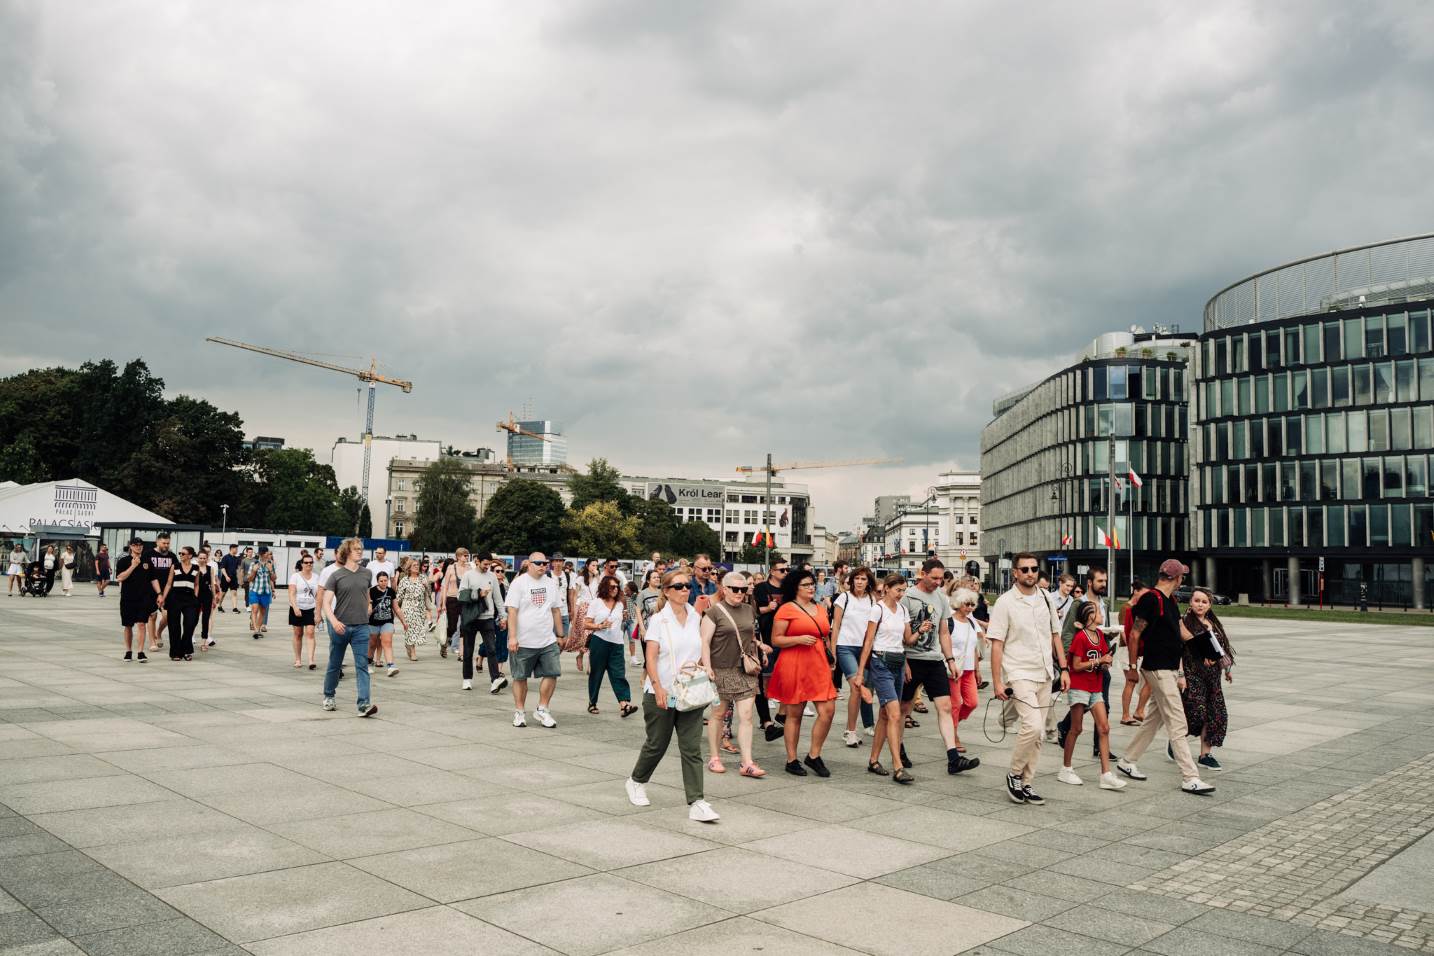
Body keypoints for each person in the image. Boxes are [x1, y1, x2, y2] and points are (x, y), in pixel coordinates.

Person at [624, 569, 720, 822]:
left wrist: (705, 666)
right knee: (657, 744)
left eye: (687, 585)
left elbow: (700, 649)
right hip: (663, 691)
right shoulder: (659, 620)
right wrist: (657, 688)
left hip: (688, 692)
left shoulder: (695, 617)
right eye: (678, 586)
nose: (685, 590)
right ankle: (636, 781)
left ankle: (697, 801)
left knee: (691, 748)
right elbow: (651, 657)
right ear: (666, 592)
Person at [1116, 559, 1216, 795]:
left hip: (1169, 667)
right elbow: (1134, 634)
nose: (1184, 579)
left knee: (1154, 720)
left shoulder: (1170, 601)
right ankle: (1190, 777)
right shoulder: (1151, 599)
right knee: (1177, 720)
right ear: (1176, 577)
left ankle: (1128, 761)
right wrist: (1132, 667)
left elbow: (1181, 633)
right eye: (1182, 575)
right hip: (1158, 669)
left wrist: (1207, 651)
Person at [989, 552, 1070, 806]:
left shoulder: (1046, 598)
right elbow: (996, 645)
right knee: (1033, 726)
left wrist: (1064, 669)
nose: (1030, 573)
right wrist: (997, 682)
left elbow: (1056, 635)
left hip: (1045, 672)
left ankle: (1027, 783)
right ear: (1014, 572)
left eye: (1034, 569)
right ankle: (1013, 773)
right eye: (1024, 570)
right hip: (1018, 672)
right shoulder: (1005, 602)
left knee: (1041, 735)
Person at [901, 559, 975, 776]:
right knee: (904, 710)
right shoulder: (908, 597)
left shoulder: (942, 598)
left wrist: (950, 660)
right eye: (933, 577)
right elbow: (899, 632)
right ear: (922, 574)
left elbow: (944, 632)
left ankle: (953, 758)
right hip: (912, 659)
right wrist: (904, 661)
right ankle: (899, 748)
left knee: (944, 707)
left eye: (940, 578)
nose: (937, 582)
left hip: (934, 660)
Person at [767, 568, 837, 778]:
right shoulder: (786, 609)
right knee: (794, 714)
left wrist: (830, 657)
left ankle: (814, 755)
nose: (811, 587)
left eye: (812, 584)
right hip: (794, 664)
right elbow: (775, 639)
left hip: (818, 664)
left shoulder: (821, 607)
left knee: (828, 711)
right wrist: (797, 639)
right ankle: (791, 759)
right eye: (805, 585)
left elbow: (825, 635)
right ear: (795, 587)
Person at [850, 573, 917, 783]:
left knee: (885, 715)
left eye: (904, 590)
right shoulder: (877, 609)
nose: (901, 594)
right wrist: (860, 672)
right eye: (898, 590)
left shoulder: (903, 610)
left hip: (898, 662)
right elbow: (868, 641)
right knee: (895, 714)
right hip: (881, 662)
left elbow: (907, 640)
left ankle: (873, 760)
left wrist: (920, 631)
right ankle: (898, 767)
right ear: (887, 588)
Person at [701, 571, 765, 777]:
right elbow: (704, 641)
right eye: (735, 589)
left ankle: (747, 762)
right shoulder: (714, 612)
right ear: (724, 589)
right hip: (720, 668)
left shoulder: (748, 609)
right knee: (719, 714)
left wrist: (759, 649)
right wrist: (708, 667)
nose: (740, 593)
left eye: (743, 589)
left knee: (746, 716)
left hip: (744, 670)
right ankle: (714, 757)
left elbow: (750, 635)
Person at [1058, 602, 1125, 791]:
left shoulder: (1100, 636)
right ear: (1089, 616)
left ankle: (1106, 774)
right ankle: (1066, 768)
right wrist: (1099, 660)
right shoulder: (1081, 637)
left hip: (1095, 687)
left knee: (1104, 728)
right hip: (1079, 687)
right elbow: (1076, 665)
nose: (1101, 614)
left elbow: (1102, 658)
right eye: (1097, 612)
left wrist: (1106, 662)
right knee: (1076, 728)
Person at [1057, 567, 1114, 757]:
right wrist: (1065, 664)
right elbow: (1067, 633)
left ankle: (1099, 746)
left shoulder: (1103, 604)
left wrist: (1109, 637)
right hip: (1081, 663)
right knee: (1085, 704)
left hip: (1100, 662)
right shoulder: (1078, 604)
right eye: (1100, 581)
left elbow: (1100, 632)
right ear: (1089, 582)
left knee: (1102, 705)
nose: (1103, 584)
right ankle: (1066, 726)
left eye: (1105, 581)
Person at [320, 538, 379, 717]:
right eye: (356, 549)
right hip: (341, 626)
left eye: (361, 548)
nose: (360, 551)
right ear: (347, 552)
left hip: (361, 627)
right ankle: (329, 696)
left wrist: (369, 605)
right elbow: (326, 602)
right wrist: (334, 621)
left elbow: (366, 594)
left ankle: (364, 704)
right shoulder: (336, 575)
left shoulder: (367, 573)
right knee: (334, 665)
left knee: (362, 666)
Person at [1179, 588, 1234, 773]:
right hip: (1192, 674)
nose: (1200, 604)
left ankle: (1205, 755)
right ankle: (1177, 741)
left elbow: (1221, 649)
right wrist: (1180, 675)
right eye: (1196, 600)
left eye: (1204, 601)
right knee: (1196, 712)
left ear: (1210, 604)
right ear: (1190, 602)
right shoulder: (1185, 623)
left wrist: (1227, 669)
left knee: (1215, 714)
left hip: (1212, 677)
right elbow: (1178, 650)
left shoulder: (1213, 624)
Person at [505, 552, 564, 728]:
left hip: (547, 640)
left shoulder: (550, 582)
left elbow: (555, 610)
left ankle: (542, 709)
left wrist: (560, 635)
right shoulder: (519, 583)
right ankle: (520, 712)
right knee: (520, 677)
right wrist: (513, 637)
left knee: (552, 673)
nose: (542, 566)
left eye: (545, 563)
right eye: (538, 563)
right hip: (523, 641)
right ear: (529, 564)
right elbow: (512, 611)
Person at [830, 566, 877, 746]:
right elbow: (836, 627)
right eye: (856, 578)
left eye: (863, 579)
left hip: (865, 648)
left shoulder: (873, 600)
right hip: (845, 646)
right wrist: (833, 652)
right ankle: (850, 732)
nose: (859, 582)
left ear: (868, 582)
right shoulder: (844, 598)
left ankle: (865, 725)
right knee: (856, 687)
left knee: (863, 686)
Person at [584, 574, 636, 716]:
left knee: (619, 674)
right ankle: (592, 702)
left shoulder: (620, 604)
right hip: (599, 642)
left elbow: (622, 619)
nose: (615, 589)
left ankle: (624, 704)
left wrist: (624, 617)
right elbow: (585, 623)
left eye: (617, 587)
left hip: (617, 643)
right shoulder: (596, 603)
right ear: (605, 587)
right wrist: (599, 626)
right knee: (597, 673)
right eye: (612, 586)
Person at [754, 560, 788, 741]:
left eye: (786, 569)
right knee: (764, 682)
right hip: (766, 638)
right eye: (782, 570)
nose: (785, 572)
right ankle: (765, 720)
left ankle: (780, 715)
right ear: (772, 571)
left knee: (785, 679)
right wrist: (768, 608)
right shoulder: (761, 588)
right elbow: (755, 610)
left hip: (784, 638)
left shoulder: (788, 589)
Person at [947, 588, 983, 759]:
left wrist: (977, 669)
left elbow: (974, 646)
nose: (969, 607)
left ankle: (950, 726)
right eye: (966, 604)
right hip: (954, 670)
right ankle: (953, 736)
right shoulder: (949, 622)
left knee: (972, 703)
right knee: (955, 704)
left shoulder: (971, 622)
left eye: (972, 604)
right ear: (958, 603)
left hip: (969, 669)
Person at [1120, 579, 1155, 726]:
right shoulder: (1127, 608)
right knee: (1130, 682)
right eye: (1144, 593)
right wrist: (1131, 650)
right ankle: (1126, 715)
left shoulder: (1143, 608)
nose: (1147, 597)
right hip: (1128, 649)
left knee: (1150, 681)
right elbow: (1124, 631)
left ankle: (1139, 710)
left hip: (1140, 649)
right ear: (1136, 591)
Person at [162, 547, 202, 661]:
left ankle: (186, 650)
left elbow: (197, 584)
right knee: (174, 626)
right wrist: (163, 597)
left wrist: (195, 596)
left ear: (190, 555)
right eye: (179, 553)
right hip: (175, 597)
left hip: (190, 599)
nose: (180, 555)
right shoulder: (175, 566)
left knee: (190, 624)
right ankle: (175, 652)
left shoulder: (196, 568)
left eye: (183, 553)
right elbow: (169, 584)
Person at [115, 538, 151, 661]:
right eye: (136, 545)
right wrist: (133, 566)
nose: (138, 547)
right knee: (128, 625)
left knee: (142, 624)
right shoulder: (123, 561)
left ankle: (140, 651)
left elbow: (153, 578)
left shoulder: (147, 560)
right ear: (131, 546)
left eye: (140, 545)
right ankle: (128, 651)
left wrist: (160, 593)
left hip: (144, 597)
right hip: (128, 597)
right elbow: (120, 578)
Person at [395, 558, 433, 662]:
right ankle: (413, 652)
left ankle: (409, 645)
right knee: (410, 629)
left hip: (420, 607)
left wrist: (426, 586)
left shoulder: (423, 578)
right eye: (414, 565)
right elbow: (399, 597)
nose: (417, 567)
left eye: (417, 565)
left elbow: (429, 594)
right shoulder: (404, 580)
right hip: (408, 607)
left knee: (418, 630)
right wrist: (395, 609)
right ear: (409, 568)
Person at [439, 551, 473, 660]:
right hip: (452, 599)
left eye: (467, 555)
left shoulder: (469, 568)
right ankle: (445, 643)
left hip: (465, 600)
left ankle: (461, 653)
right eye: (465, 555)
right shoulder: (451, 567)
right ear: (458, 556)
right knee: (452, 627)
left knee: (464, 626)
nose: (467, 557)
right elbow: (444, 586)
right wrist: (443, 603)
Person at [289, 553, 320, 669]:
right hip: (297, 608)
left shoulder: (316, 577)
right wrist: (295, 607)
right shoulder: (295, 576)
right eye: (306, 562)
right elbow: (291, 593)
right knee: (298, 633)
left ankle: (311, 660)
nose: (309, 564)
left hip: (311, 608)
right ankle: (298, 659)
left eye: (311, 562)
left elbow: (318, 595)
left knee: (310, 633)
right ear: (302, 564)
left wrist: (318, 610)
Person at [146, 534, 176, 649]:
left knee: (168, 616)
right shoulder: (148, 555)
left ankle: (158, 633)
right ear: (157, 542)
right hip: (151, 590)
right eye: (164, 543)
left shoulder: (172, 556)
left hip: (168, 590)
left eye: (168, 543)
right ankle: (152, 641)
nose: (166, 545)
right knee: (151, 616)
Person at [368, 571, 399, 676]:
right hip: (373, 622)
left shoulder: (391, 591)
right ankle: (368, 663)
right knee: (372, 644)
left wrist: (404, 622)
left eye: (385, 580)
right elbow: (367, 607)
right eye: (381, 581)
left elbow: (396, 608)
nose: (383, 582)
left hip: (387, 621)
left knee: (387, 642)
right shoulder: (371, 591)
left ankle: (391, 665)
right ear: (377, 581)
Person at [544, 552, 576, 640]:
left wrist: (572, 609)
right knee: (552, 640)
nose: (558, 563)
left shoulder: (567, 576)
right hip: (551, 612)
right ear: (552, 563)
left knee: (564, 640)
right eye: (556, 561)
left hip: (564, 612)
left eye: (560, 561)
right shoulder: (547, 575)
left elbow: (570, 593)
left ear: (563, 563)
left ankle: (557, 653)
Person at [246, 547, 275, 640]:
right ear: (262, 554)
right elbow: (249, 579)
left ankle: (258, 629)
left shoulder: (270, 564)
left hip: (266, 591)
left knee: (262, 612)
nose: (268, 555)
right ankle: (255, 631)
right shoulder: (253, 564)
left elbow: (274, 578)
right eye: (267, 553)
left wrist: (270, 570)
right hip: (255, 590)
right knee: (254, 609)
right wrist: (254, 571)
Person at [633, 569, 662, 664]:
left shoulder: (662, 592)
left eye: (658, 577)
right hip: (647, 629)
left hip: (661, 629)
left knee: (659, 657)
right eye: (654, 577)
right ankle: (645, 678)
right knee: (649, 658)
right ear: (648, 580)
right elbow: (638, 611)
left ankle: (646, 678)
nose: (657, 579)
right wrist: (642, 629)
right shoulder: (643, 593)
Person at [195, 548, 220, 649]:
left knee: (205, 619)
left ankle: (204, 642)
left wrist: (214, 598)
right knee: (194, 619)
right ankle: (189, 638)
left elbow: (213, 585)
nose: (202, 560)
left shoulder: (211, 569)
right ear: (197, 558)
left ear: (207, 558)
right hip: (196, 596)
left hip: (207, 596)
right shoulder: (194, 568)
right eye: (200, 558)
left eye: (204, 558)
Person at [217, 545, 240, 612]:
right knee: (223, 593)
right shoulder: (225, 557)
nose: (237, 550)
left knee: (234, 593)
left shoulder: (236, 558)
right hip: (225, 578)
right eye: (236, 549)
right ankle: (219, 606)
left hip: (233, 578)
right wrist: (226, 576)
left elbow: (237, 569)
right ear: (232, 549)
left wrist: (238, 578)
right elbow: (222, 568)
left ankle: (234, 608)